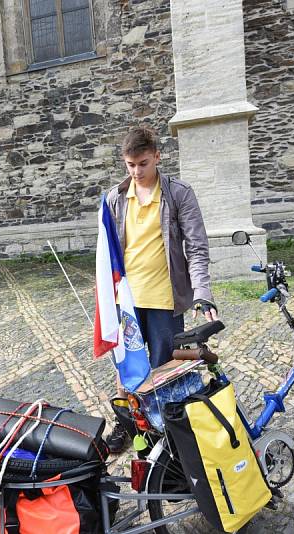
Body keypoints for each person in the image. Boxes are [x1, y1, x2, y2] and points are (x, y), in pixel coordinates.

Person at [103, 127, 218, 453]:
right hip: (127, 302)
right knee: (126, 366)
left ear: (157, 156)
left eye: (142, 163)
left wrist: (202, 292)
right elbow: (108, 255)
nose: (137, 171)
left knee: (164, 369)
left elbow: (197, 247)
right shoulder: (115, 199)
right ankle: (126, 425)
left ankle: (168, 432)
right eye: (130, 165)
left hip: (165, 300)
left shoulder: (179, 193)